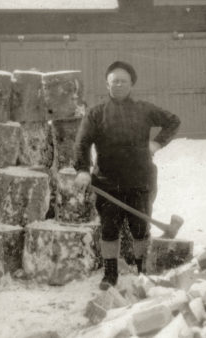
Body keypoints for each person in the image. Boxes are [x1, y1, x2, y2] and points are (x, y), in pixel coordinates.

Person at [73, 61, 180, 290]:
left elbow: (173, 121)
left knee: (140, 228)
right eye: (114, 81)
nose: (119, 85)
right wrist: (82, 169)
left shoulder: (144, 109)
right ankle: (110, 274)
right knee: (109, 228)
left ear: (132, 84)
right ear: (107, 84)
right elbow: (82, 143)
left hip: (139, 180)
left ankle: (143, 270)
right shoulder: (96, 113)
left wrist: (157, 143)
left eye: (123, 81)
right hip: (107, 182)